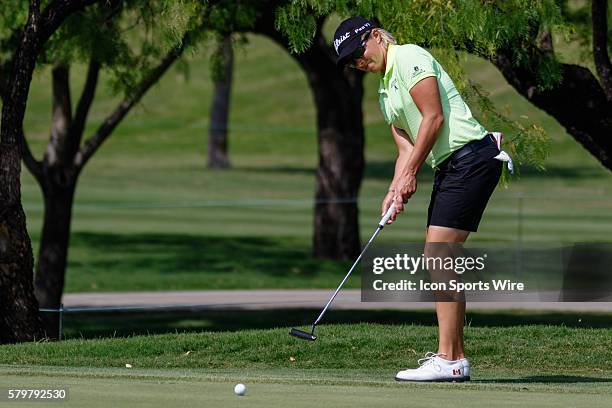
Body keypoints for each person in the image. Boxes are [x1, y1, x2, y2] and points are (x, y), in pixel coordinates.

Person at [333, 17, 510, 382]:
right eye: (351, 61)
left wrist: (412, 173)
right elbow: (406, 148)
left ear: (377, 37)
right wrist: (394, 189)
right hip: (452, 167)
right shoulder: (385, 93)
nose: (358, 62)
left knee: (438, 255)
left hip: (472, 157)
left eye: (358, 52)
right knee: (440, 257)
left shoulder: (409, 56)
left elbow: (434, 118)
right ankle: (454, 359)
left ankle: (450, 359)